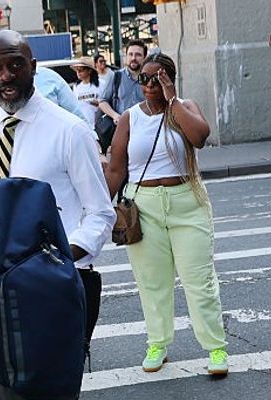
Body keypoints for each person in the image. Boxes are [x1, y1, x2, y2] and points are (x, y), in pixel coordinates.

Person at [0, 30, 115, 351]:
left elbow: (100, 213)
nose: (6, 76)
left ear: (34, 67)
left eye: (15, 65)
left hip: (56, 285)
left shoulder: (69, 131)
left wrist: (59, 260)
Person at [104, 53, 227, 375]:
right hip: (143, 206)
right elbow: (117, 169)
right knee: (152, 282)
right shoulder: (131, 117)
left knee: (199, 281)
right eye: (144, 78)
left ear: (169, 79)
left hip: (187, 202)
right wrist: (97, 209)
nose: (148, 84)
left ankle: (216, 349)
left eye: (157, 78)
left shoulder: (185, 107)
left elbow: (199, 137)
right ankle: (157, 343)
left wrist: (172, 100)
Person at [99, 40, 150, 130]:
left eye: (138, 55)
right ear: (126, 56)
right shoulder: (116, 76)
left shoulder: (150, 79)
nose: (133, 58)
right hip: (121, 130)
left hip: (145, 128)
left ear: (145, 57)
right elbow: (103, 101)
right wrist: (115, 116)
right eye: (130, 54)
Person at [72, 57, 103, 131]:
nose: (78, 72)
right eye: (77, 70)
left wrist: (99, 104)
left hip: (98, 126)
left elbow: (106, 103)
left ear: (89, 71)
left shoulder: (101, 85)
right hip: (83, 127)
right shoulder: (76, 87)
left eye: (81, 70)